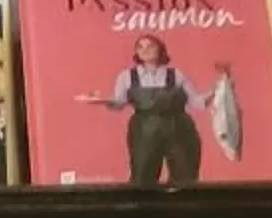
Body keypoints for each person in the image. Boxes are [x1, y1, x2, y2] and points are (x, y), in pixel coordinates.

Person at [80, 34, 202, 186]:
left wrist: (219, 90)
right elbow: (119, 103)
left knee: (184, 176)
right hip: (144, 130)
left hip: (178, 128)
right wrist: (103, 100)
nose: (145, 50)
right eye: (140, 47)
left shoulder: (176, 74)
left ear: (160, 50)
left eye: (150, 46)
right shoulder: (127, 76)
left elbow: (197, 102)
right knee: (143, 176)